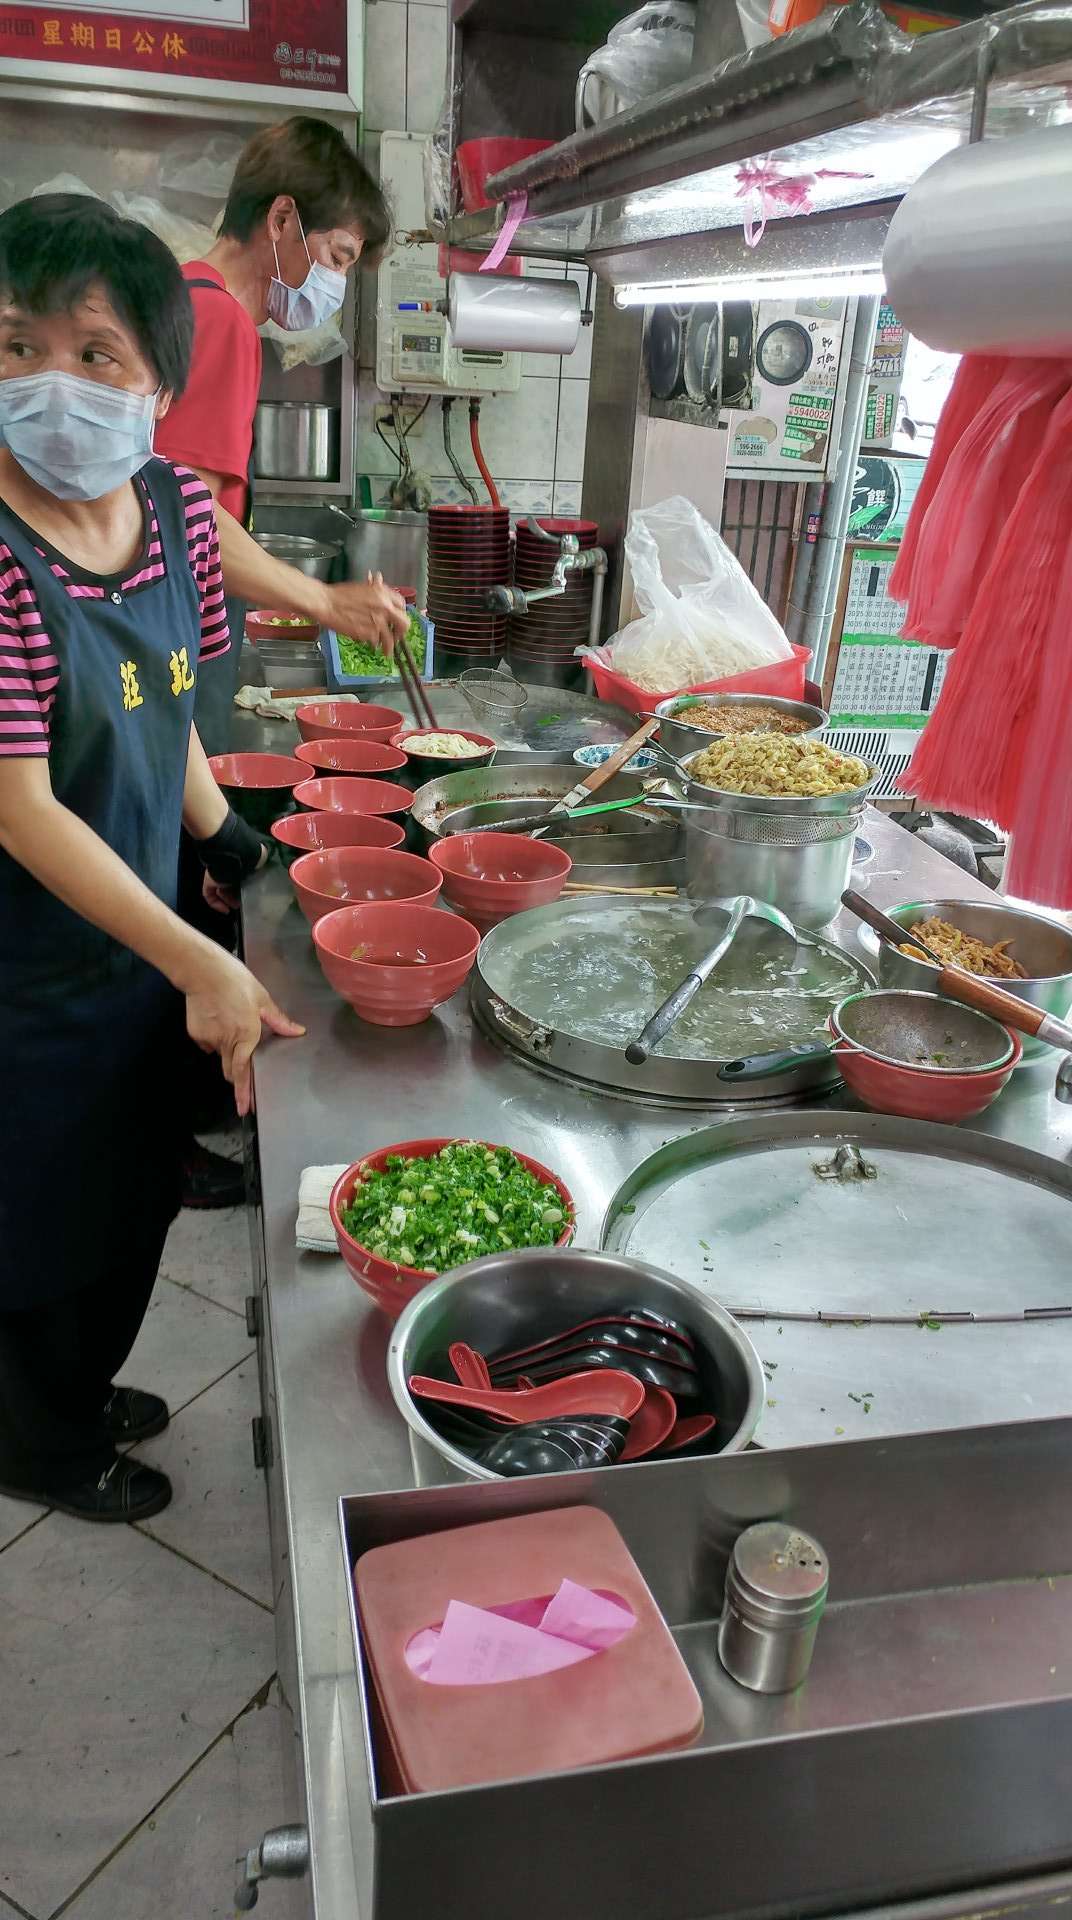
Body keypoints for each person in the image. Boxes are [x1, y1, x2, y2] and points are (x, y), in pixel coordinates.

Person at [0, 194, 303, 1523]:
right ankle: (38, 1442)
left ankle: (70, 1391)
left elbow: (168, 704)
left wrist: (225, 836)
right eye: (14, 347)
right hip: (27, 977)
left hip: (135, 949)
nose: (47, 384)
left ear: (161, 385)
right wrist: (197, 956)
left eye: (92, 353)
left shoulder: (177, 507)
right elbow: (21, 808)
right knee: (34, 1231)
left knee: (128, 1202)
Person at [155, 115, 409, 1207]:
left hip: (150, 645)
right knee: (177, 875)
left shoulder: (173, 296)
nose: (335, 287)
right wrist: (329, 600)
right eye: (340, 260)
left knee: (173, 869)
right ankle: (170, 1128)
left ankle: (185, 1106)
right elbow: (193, 522)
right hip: (161, 652)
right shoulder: (222, 319)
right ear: (284, 222)